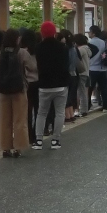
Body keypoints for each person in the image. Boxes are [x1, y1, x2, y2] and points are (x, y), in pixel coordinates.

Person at [34, 21, 70, 149]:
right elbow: (66, 66)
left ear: (42, 33)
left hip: (44, 85)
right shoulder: (63, 47)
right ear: (55, 32)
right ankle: (55, 140)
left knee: (41, 113)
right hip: (60, 85)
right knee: (59, 113)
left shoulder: (38, 48)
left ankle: (38, 141)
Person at [0, 29, 28, 157]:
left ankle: (5, 148)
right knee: (19, 119)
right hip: (19, 90)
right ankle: (18, 148)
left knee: (3, 119)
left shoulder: (0, 54)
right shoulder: (22, 52)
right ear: (17, 39)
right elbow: (31, 67)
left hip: (3, 91)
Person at [20, 29, 41, 149]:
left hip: (26, 83)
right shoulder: (38, 50)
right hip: (37, 82)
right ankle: (37, 133)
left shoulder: (21, 51)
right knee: (38, 110)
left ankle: (28, 134)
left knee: (27, 110)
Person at [86, 26, 107, 112]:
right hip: (102, 68)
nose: (88, 33)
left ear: (93, 33)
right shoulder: (103, 42)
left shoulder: (90, 43)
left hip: (92, 68)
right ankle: (106, 106)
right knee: (104, 88)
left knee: (89, 89)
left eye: (90, 31)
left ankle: (87, 106)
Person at [73, 33, 92, 117]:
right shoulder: (87, 49)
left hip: (81, 73)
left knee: (81, 92)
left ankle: (83, 110)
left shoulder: (81, 50)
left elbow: (75, 59)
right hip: (86, 72)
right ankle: (84, 109)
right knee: (83, 91)